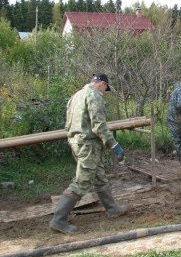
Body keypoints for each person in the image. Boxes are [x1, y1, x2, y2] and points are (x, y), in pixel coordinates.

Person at [50, 73, 128, 234]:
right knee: (82, 181)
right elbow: (99, 125)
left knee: (99, 175)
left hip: (76, 141)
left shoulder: (76, 96)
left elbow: (68, 123)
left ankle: (112, 209)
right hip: (88, 144)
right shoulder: (94, 95)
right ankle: (59, 220)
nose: (104, 91)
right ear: (103, 84)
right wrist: (114, 145)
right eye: (105, 88)